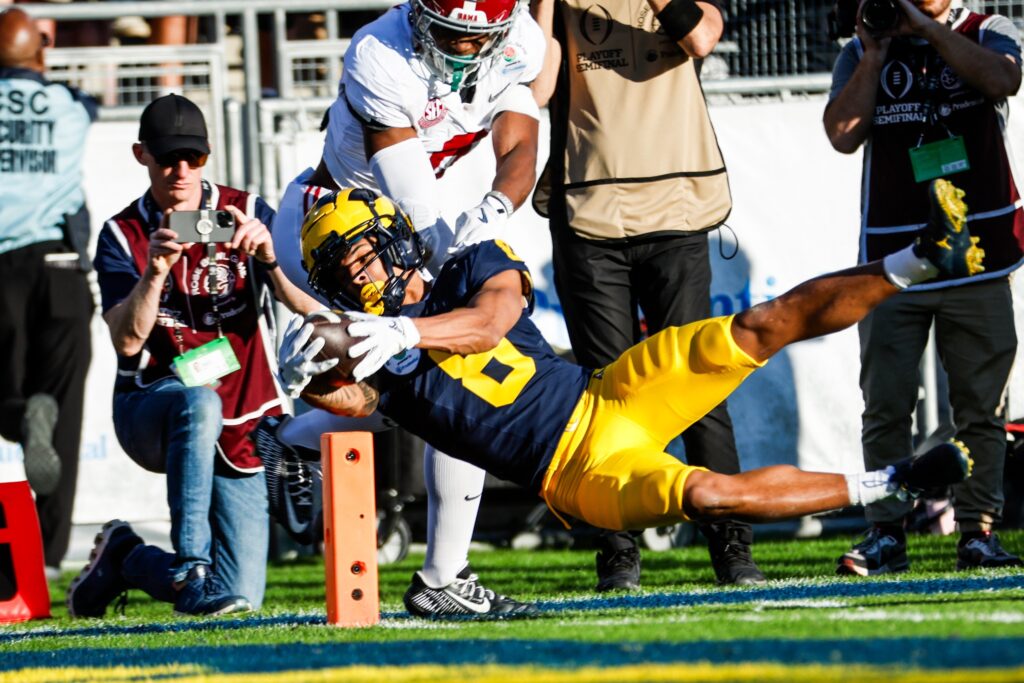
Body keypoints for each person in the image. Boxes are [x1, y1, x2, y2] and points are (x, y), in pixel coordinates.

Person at [280, 180, 979, 555]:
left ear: (395, 242)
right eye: (344, 273)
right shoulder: (376, 352)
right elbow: (350, 402)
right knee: (708, 493)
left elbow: (488, 324)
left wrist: (404, 326)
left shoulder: (466, 266)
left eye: (363, 255)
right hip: (577, 476)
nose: (359, 278)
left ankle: (921, 259)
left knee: (758, 326)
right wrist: (306, 368)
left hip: (611, 396)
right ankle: (895, 479)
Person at [257, 0, 546, 619]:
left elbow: (521, 140)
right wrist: (465, 272)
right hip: (340, 230)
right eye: (450, 36)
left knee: (436, 392)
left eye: (480, 40)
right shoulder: (379, 54)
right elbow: (412, 198)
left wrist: (499, 206)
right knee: (444, 379)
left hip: (397, 233)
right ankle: (442, 575)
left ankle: (294, 440)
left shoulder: (522, 41)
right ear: (419, 18)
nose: (466, 51)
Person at [529, 0, 763, 590]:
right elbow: (535, 89)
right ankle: (616, 553)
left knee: (700, 385)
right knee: (604, 397)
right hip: (588, 220)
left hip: (678, 215)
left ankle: (731, 545)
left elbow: (704, 37)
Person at [66, 94, 319, 618]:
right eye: (167, 159)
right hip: (152, 408)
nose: (182, 172)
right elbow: (127, 342)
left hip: (246, 413)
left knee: (241, 599)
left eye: (195, 159)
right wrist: (154, 272)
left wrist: (271, 259)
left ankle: (127, 558)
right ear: (142, 156)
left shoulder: (244, 212)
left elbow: (308, 306)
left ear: (208, 155)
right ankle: (189, 566)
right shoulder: (124, 233)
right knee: (198, 403)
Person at [823, 0, 1023, 574]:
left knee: (981, 407)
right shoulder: (864, 46)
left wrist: (932, 32)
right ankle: (886, 531)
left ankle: (977, 530)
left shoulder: (988, 30)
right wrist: (878, 52)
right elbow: (841, 134)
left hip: (978, 254)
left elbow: (1003, 79)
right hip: (892, 260)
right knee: (885, 405)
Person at [0, 7, 96, 581]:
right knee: (65, 413)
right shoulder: (70, 107)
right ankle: (49, 556)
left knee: (6, 395)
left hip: (2, 266)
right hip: (61, 267)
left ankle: (17, 415)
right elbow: (89, 102)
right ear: (40, 49)